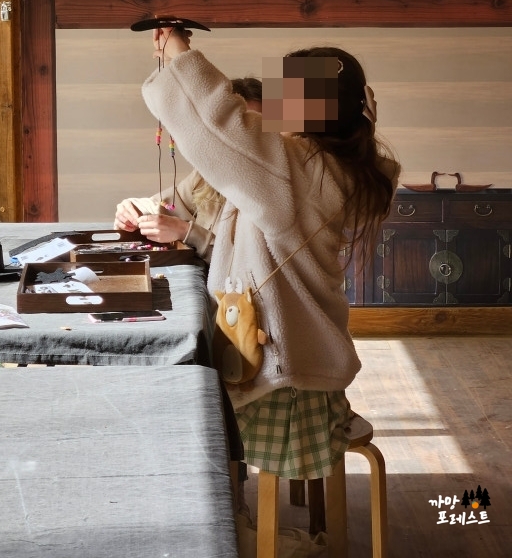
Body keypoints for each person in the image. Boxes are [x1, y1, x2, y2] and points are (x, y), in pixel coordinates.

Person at [138, 25, 400, 482]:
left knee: (185, 432)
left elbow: (221, 126)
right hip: (308, 364)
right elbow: (229, 134)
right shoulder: (348, 167)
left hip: (281, 373)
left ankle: (235, 523)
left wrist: (180, 54)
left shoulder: (293, 168)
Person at [114, 77, 263, 263]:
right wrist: (133, 210)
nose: (241, 139)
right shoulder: (206, 178)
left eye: (255, 128)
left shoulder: (275, 195)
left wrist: (187, 232)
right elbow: (164, 206)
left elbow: (248, 266)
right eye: (232, 128)